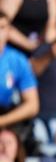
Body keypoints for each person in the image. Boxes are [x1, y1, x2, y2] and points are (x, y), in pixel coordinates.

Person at [0, 11, 39, 142]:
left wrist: (2, 121)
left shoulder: (16, 60)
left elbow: (32, 105)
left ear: (9, 31)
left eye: (2, 28)